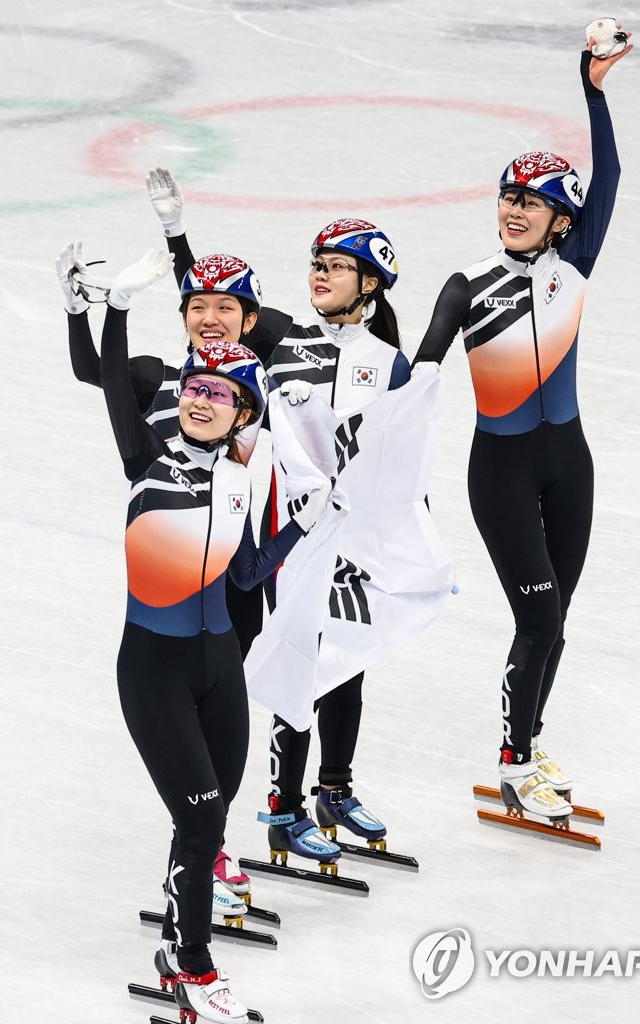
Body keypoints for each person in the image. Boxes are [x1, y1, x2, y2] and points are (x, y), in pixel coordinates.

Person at [63, 245, 330, 1022]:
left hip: (219, 669)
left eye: (221, 392)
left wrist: (295, 530)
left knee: (208, 816)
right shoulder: (144, 457)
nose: (202, 399)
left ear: (246, 411)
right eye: (195, 388)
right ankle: (194, 965)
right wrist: (111, 308)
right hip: (154, 670)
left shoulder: (246, 480)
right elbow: (113, 385)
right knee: (201, 816)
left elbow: (246, 577)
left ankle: (187, 918)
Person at [146, 170, 410, 862]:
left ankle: (333, 788)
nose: (319, 276)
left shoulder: (381, 359)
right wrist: (179, 241)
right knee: (295, 663)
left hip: (346, 533)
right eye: (315, 266)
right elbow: (217, 315)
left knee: (346, 665)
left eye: (335, 267)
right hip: (278, 538)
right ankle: (281, 806)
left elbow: (399, 450)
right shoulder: (282, 343)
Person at [412, 36, 633, 821]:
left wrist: (593, 92)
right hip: (501, 468)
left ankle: (528, 749)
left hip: (568, 460)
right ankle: (512, 764)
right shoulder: (469, 286)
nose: (512, 206)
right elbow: (423, 371)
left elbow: (609, 178)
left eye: (530, 200)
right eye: (507, 194)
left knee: (556, 622)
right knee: (537, 616)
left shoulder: (575, 267)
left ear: (561, 220)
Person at [56, 243, 266, 901]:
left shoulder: (256, 386)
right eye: (197, 305)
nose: (210, 317)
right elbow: (97, 372)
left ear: (247, 318)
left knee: (223, 723)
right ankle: (202, 855)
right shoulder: (159, 378)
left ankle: (206, 850)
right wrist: (80, 310)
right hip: (173, 561)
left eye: (225, 307)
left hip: (232, 564)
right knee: (189, 736)